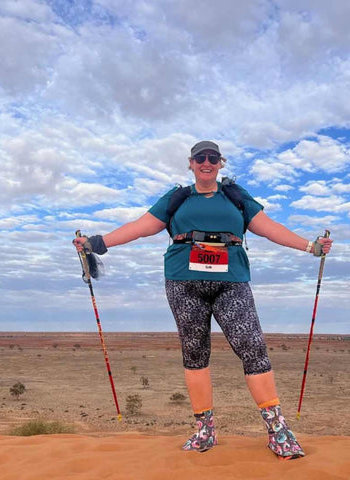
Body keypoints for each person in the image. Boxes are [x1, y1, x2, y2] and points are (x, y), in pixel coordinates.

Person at [73, 140, 332, 459]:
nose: (206, 162)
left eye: (212, 158)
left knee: (252, 348)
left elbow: (269, 228)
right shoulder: (177, 198)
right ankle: (204, 430)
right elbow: (141, 227)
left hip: (232, 281)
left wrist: (311, 247)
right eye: (200, 158)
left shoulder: (236, 196)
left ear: (220, 163)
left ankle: (278, 430)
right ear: (191, 163)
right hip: (183, 281)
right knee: (194, 351)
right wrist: (97, 242)